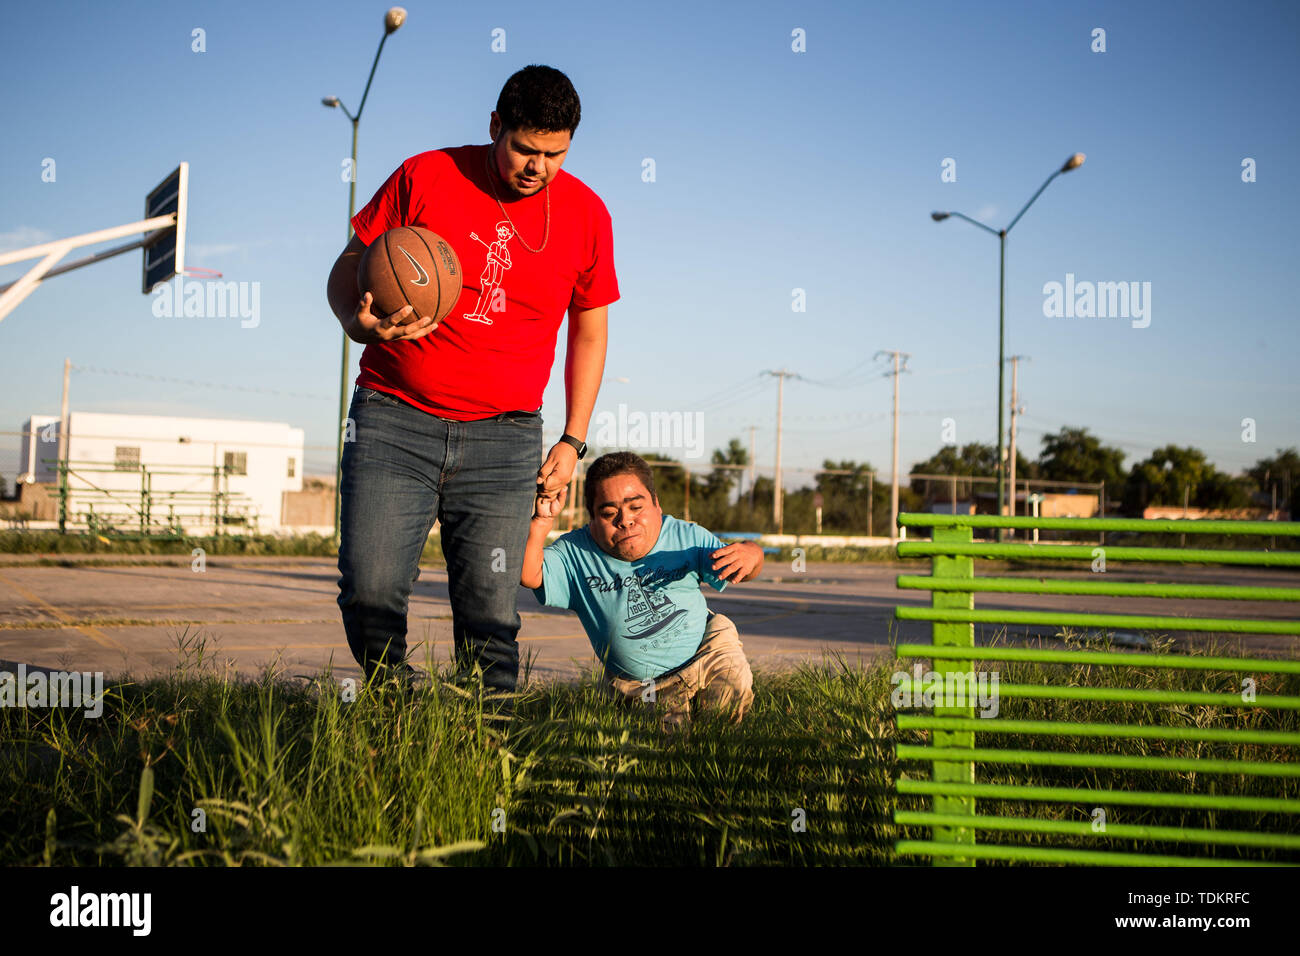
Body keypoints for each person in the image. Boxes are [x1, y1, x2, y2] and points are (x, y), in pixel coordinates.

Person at [325, 65, 619, 694]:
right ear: (495, 127)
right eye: (524, 149)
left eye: (555, 153)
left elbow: (589, 332)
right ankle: (394, 707)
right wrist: (356, 320)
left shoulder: (588, 214)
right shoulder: (426, 174)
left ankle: (489, 744)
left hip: (504, 437)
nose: (538, 166)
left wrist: (572, 440)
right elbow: (349, 263)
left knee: (490, 611)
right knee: (369, 587)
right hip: (393, 416)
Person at [522, 452, 764, 728]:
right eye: (609, 513)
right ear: (592, 519)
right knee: (666, 741)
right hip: (644, 684)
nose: (625, 520)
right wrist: (541, 522)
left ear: (656, 504)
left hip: (708, 651)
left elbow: (743, 569)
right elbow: (529, 574)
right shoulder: (576, 553)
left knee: (725, 712)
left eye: (636, 507)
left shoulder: (684, 536)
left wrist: (752, 554)